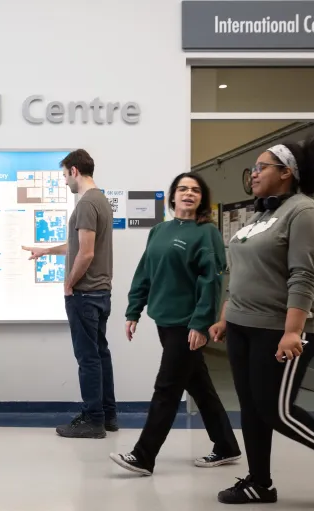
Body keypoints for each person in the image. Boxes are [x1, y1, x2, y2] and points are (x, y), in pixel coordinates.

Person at [209, 135, 314, 505]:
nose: (254, 173)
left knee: (275, 409)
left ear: (286, 172)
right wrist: (226, 317)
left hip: (280, 329)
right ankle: (260, 483)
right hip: (243, 325)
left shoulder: (305, 213)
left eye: (261, 166)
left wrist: (293, 331)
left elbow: (305, 277)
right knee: (251, 408)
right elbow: (241, 273)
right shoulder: (261, 215)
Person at [109, 172, 240, 476]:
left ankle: (143, 456)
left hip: (187, 324)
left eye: (195, 190)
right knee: (199, 385)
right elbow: (145, 272)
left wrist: (200, 324)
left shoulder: (206, 233)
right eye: (183, 189)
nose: (188, 193)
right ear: (173, 197)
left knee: (167, 388)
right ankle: (226, 445)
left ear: (201, 199)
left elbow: (211, 282)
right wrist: (133, 310)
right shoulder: (159, 230)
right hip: (164, 320)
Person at [22, 149, 116, 439]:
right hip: (100, 293)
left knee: (88, 359)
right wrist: (46, 250)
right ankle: (108, 415)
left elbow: (85, 254)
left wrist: (69, 284)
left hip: (85, 295)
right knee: (100, 354)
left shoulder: (86, 203)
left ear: (74, 171)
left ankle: (93, 420)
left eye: (65, 175)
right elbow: (77, 245)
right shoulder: (100, 200)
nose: (64, 181)